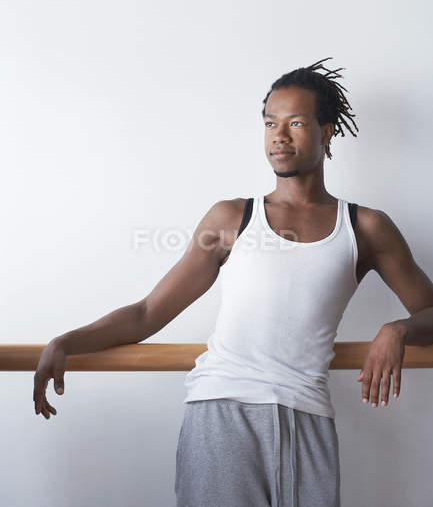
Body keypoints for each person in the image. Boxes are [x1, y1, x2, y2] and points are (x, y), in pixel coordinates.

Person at [34, 57, 433, 507]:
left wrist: (397, 329)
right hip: (221, 414)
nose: (279, 136)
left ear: (326, 132)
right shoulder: (231, 218)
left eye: (296, 122)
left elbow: (430, 311)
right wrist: (67, 340)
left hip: (308, 416)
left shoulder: (365, 227)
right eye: (270, 123)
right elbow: (148, 313)